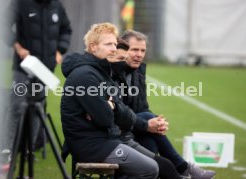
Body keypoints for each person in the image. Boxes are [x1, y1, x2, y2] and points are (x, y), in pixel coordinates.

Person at [61, 22, 159, 179]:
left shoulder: (102, 71)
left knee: (156, 164)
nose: (114, 48)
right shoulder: (85, 75)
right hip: (92, 145)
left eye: (114, 43)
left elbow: (121, 112)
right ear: (93, 47)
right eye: (108, 44)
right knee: (149, 168)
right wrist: (110, 109)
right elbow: (106, 119)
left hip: (107, 139)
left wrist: (112, 106)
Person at [116, 30, 216, 179]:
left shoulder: (137, 73)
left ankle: (173, 172)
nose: (139, 54)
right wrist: (147, 123)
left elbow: (142, 108)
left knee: (151, 129)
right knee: (149, 124)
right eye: (135, 49)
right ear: (122, 50)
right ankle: (182, 168)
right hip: (116, 134)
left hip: (131, 129)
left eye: (143, 50)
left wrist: (156, 123)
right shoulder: (114, 72)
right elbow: (119, 114)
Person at [2, 0, 72, 162]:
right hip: (23, 67)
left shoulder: (57, 6)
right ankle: (7, 149)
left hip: (45, 69)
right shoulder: (20, 3)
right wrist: (18, 47)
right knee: (16, 105)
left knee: (37, 108)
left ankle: (29, 150)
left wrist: (60, 50)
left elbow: (66, 29)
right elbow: (2, 26)